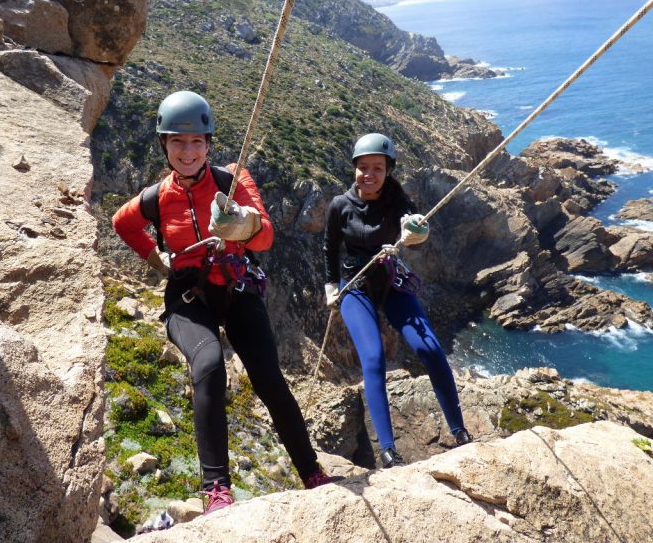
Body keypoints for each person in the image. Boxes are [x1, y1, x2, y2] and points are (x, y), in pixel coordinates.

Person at [112, 90, 334, 514]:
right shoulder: (158, 197)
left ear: (209, 143)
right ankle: (217, 490)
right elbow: (122, 223)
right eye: (178, 141)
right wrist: (155, 258)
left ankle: (312, 474)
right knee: (209, 364)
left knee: (269, 379)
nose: (188, 151)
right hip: (188, 297)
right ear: (165, 145)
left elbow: (266, 236)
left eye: (197, 142)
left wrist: (244, 226)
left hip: (236, 289)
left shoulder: (233, 181)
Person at [322, 133, 472, 469]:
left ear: (388, 170)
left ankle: (459, 430)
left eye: (377, 168)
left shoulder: (397, 199)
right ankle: (389, 452)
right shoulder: (340, 206)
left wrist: (413, 231)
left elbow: (412, 225)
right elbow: (329, 248)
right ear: (354, 169)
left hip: (390, 280)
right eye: (363, 167)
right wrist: (331, 286)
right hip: (356, 286)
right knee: (373, 358)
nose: (369, 174)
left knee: (430, 348)